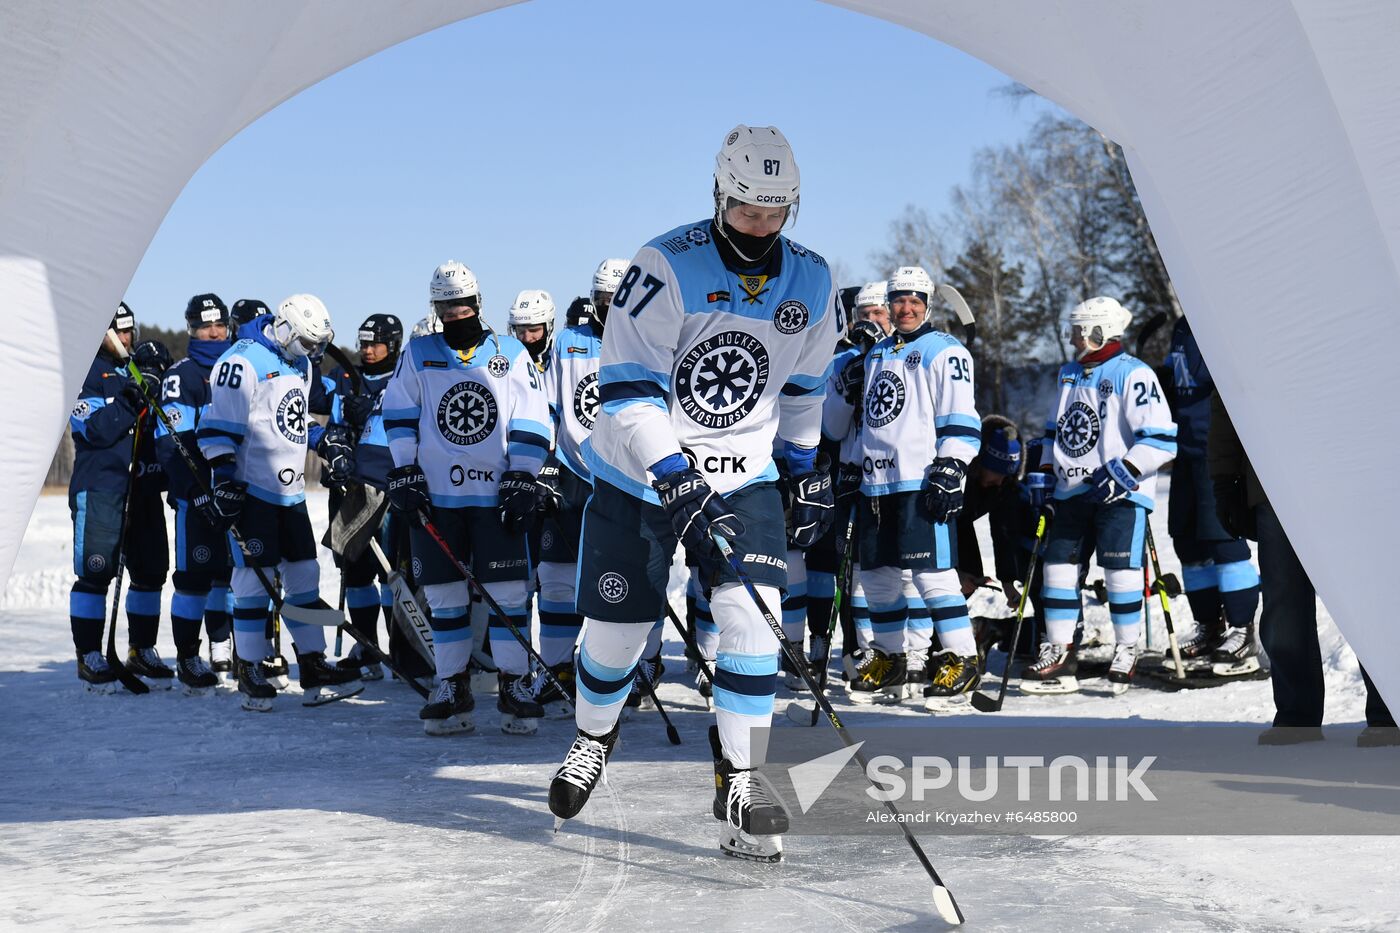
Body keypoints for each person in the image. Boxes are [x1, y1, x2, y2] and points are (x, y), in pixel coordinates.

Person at [547, 125, 837, 863]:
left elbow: (803, 386)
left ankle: (743, 779)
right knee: (618, 635)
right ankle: (592, 734)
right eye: (746, 210)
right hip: (641, 474)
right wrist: (674, 479)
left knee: (752, 620)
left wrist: (802, 465)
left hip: (744, 476)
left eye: (774, 213)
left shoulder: (813, 279)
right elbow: (629, 390)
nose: (760, 226)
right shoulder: (664, 265)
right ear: (720, 195)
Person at [381, 262, 552, 736]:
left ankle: (515, 683)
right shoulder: (418, 353)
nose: (455, 313)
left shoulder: (511, 353)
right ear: (435, 309)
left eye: (461, 304)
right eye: (445, 306)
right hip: (437, 498)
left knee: (509, 594)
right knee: (444, 596)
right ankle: (450, 683)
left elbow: (534, 418)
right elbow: (398, 412)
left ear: (477, 303)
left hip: (494, 497)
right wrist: (404, 468)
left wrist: (523, 475)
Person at [196, 294, 364, 711]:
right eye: (309, 344)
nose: (316, 354)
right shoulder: (241, 363)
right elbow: (219, 428)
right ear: (286, 330)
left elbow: (291, 419)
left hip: (290, 493)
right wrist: (224, 480)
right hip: (253, 490)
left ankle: (312, 663)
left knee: (304, 575)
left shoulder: (301, 362)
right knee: (254, 582)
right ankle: (250, 667)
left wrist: (326, 442)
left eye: (319, 345)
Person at [1208, 390, 1397, 746]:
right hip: (1275, 481)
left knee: (1369, 595)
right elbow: (1228, 393)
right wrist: (1225, 478)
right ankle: (1297, 716)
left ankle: (1389, 710)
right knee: (1284, 604)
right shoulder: (1250, 333)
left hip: (1352, 475)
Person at [1022, 296, 1177, 695]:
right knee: (1056, 568)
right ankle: (1060, 650)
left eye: (1078, 330)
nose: (1072, 338)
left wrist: (1125, 470)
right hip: (1071, 492)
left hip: (1119, 497)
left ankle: (1127, 648)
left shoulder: (1134, 374)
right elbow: (1055, 430)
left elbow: (1161, 439)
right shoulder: (1069, 374)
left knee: (1120, 573)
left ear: (1098, 331)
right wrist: (1042, 471)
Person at [847, 267, 982, 708]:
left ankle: (962, 659)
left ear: (927, 304)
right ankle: (890, 658)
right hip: (876, 483)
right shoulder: (874, 355)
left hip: (919, 480)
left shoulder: (944, 350)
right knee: (877, 577)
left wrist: (952, 464)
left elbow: (962, 418)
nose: (905, 308)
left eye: (914, 300)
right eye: (898, 300)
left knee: (933, 576)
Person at [533, 260, 628, 718]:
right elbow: (547, 404)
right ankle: (556, 671)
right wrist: (547, 460)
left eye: (619, 299)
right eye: (605, 301)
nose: (612, 309)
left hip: (629, 474)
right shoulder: (568, 342)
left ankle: (638, 666)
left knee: (628, 575)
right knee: (556, 578)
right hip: (573, 471)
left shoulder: (649, 335)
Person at [67, 304, 174, 691]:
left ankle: (141, 648)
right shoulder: (84, 372)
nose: (126, 339)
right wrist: (133, 396)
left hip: (143, 486)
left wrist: (158, 373)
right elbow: (95, 430)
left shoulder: (136, 368)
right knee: (96, 574)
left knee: (150, 573)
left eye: (130, 331)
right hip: (101, 488)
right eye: (118, 332)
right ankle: (88, 654)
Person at [1163, 314, 1261, 674]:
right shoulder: (1181, 327)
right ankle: (1209, 625)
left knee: (1222, 539)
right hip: (1185, 451)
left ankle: (1242, 628)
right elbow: (1178, 382)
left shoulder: (1218, 317)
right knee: (1186, 541)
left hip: (1212, 448)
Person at [156, 293, 236, 692]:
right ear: (192, 329)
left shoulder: (237, 369)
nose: (213, 332)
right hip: (198, 500)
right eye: (205, 327)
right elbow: (173, 444)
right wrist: (197, 490)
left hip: (235, 493)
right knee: (193, 578)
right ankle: (188, 656)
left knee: (230, 576)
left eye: (218, 325)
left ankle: (225, 648)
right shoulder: (182, 377)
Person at [325, 313, 405, 681]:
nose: (368, 351)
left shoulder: (405, 375)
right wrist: (339, 447)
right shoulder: (346, 379)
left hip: (389, 486)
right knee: (355, 570)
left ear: (392, 344)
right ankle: (367, 647)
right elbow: (335, 426)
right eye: (363, 344)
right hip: (350, 486)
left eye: (375, 343)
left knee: (392, 571)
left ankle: (402, 649)